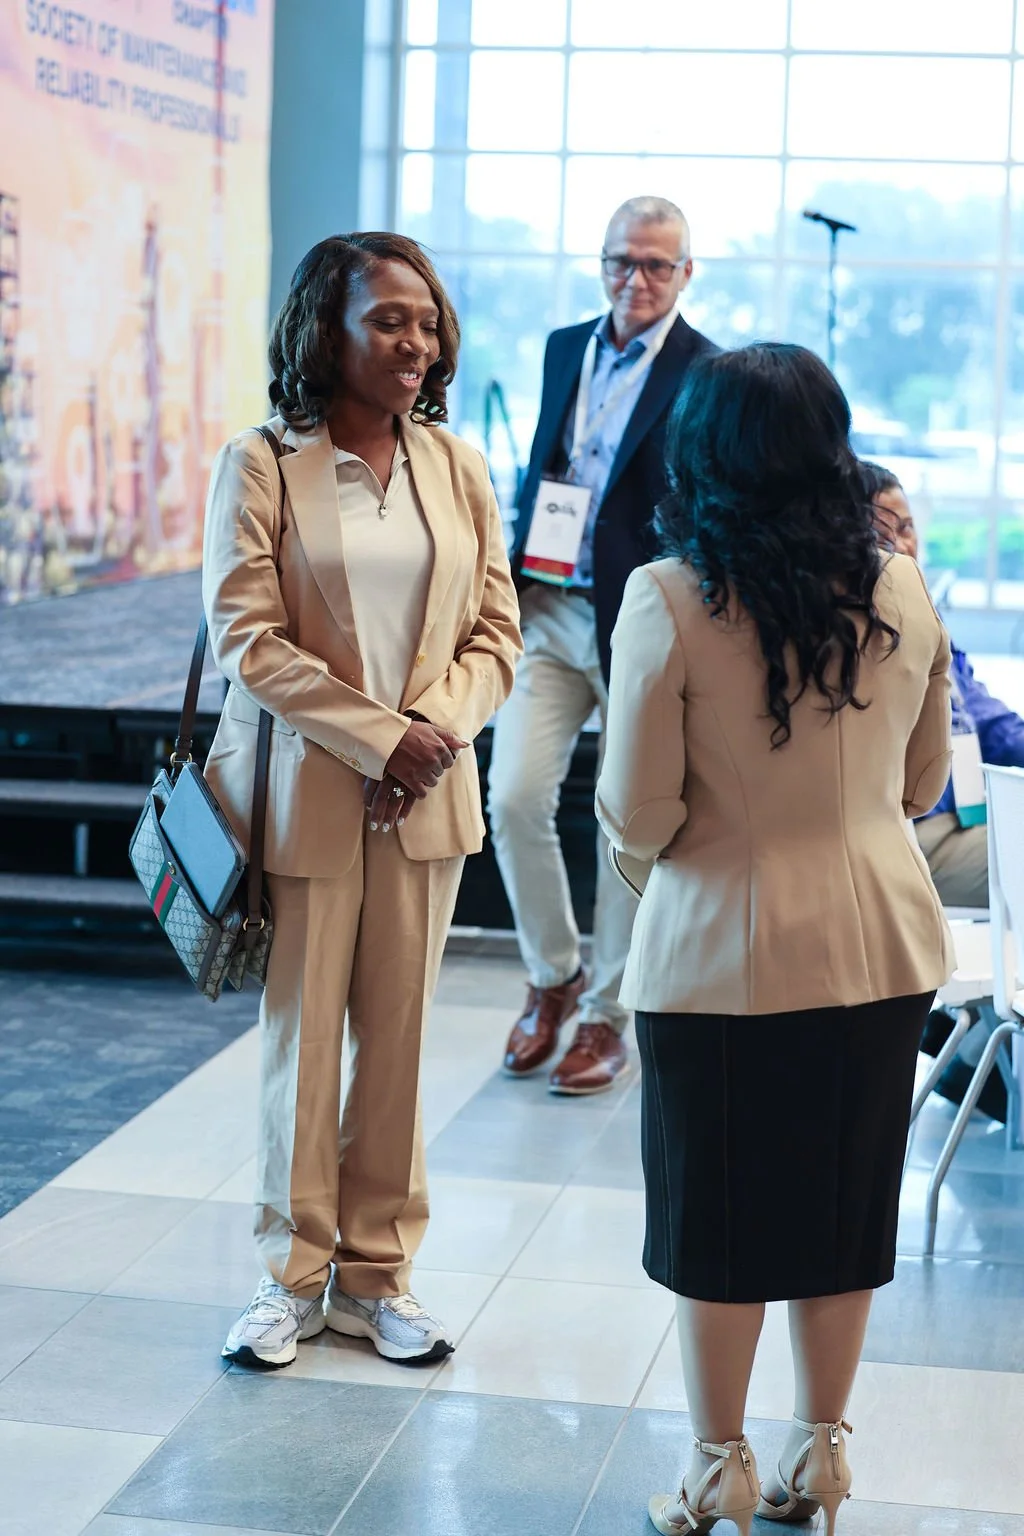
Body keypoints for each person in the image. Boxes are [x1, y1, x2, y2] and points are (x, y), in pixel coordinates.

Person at [596, 343, 953, 1535]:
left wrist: (669, 867)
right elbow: (920, 784)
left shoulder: (669, 594)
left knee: (719, 1223)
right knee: (844, 1215)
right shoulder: (898, 586)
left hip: (719, 957)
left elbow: (639, 808)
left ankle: (716, 1472)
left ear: (702, 451)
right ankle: (821, 1457)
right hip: (879, 948)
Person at [202, 233, 521, 1369]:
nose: (415, 342)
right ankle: (290, 1276)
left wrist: (433, 735)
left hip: (426, 801)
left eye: (427, 322)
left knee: (397, 1045)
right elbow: (247, 638)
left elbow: (497, 631)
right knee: (301, 1041)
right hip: (306, 799)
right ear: (322, 332)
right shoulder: (260, 463)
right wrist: (384, 740)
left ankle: (377, 1279)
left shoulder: (459, 467)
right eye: (389, 319)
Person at [488, 195, 715, 1095]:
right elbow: (551, 462)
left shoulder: (707, 369)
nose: (637, 279)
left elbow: (698, 497)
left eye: (658, 264)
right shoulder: (560, 346)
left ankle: (606, 1015)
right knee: (510, 799)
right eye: (623, 261)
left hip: (639, 621)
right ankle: (553, 978)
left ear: (687, 273)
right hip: (547, 605)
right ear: (601, 263)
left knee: (624, 819)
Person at [864, 459, 1024, 1120]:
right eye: (885, 529)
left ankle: (978, 1038)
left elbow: (987, 719)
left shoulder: (926, 616)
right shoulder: (860, 629)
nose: (904, 543)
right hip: (918, 832)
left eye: (909, 529)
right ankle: (981, 1042)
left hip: (969, 816)